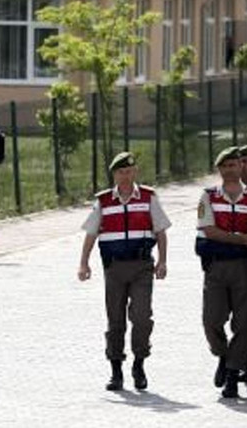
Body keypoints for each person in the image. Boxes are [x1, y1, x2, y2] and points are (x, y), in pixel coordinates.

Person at [78, 152, 171, 391]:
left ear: (135, 172)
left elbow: (160, 231)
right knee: (115, 319)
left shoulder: (148, 198)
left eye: (129, 171)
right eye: (121, 172)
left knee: (141, 317)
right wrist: (84, 263)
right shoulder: (104, 201)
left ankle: (139, 364)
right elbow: (91, 233)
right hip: (114, 268)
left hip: (141, 267)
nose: (126, 176)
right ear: (114, 175)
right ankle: (116, 370)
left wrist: (162, 261)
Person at [195, 147, 247, 399]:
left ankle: (233, 374)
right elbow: (209, 230)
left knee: (243, 322)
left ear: (241, 167)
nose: (230, 170)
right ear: (219, 169)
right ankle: (223, 355)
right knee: (212, 319)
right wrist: (242, 239)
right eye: (225, 166)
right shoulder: (209, 196)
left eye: (234, 165)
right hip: (216, 265)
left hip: (245, 267)